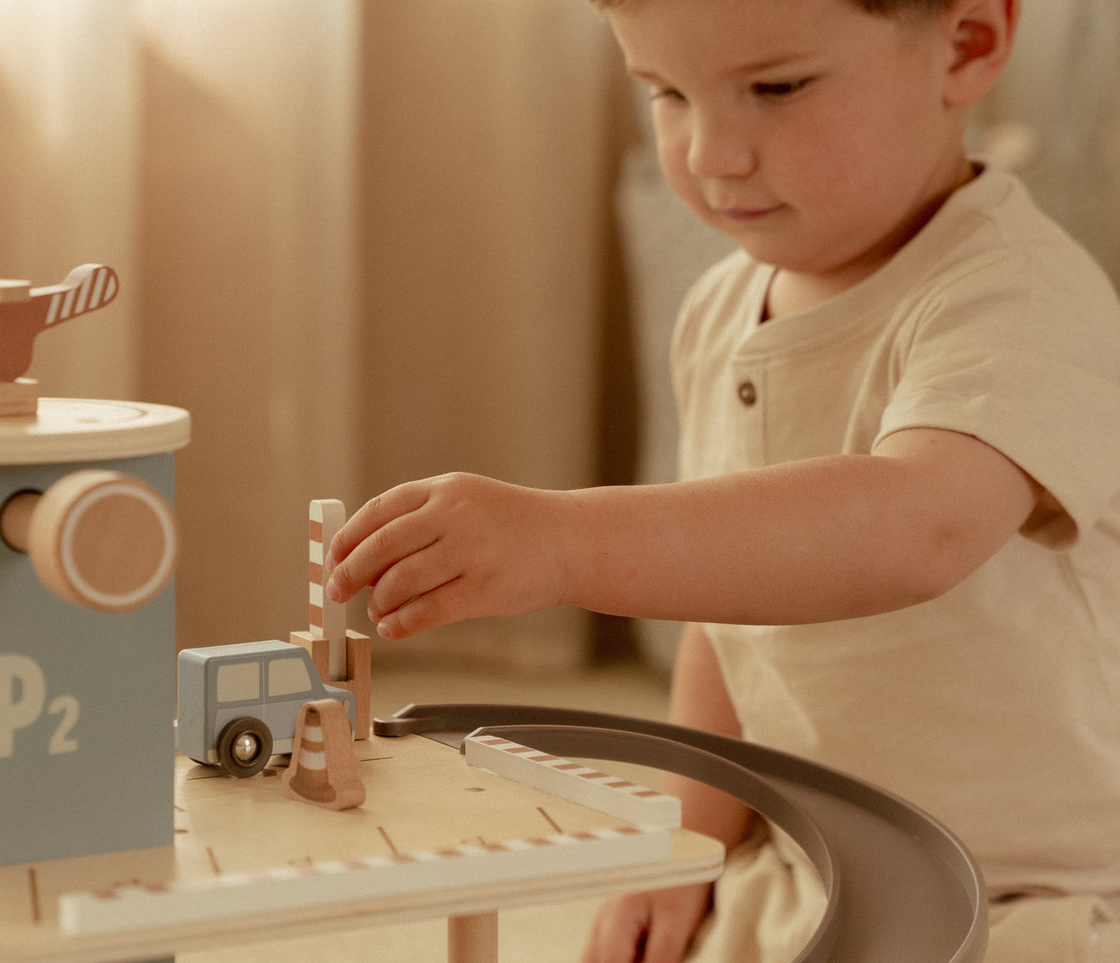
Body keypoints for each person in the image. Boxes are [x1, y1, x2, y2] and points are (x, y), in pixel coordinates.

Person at [323, 0, 1120, 959]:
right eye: (665, 93)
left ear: (967, 44)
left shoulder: (1018, 298)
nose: (710, 154)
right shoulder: (719, 310)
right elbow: (726, 610)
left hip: (1040, 889)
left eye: (774, 89)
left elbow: (923, 526)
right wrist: (686, 840)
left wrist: (564, 542)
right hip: (815, 853)